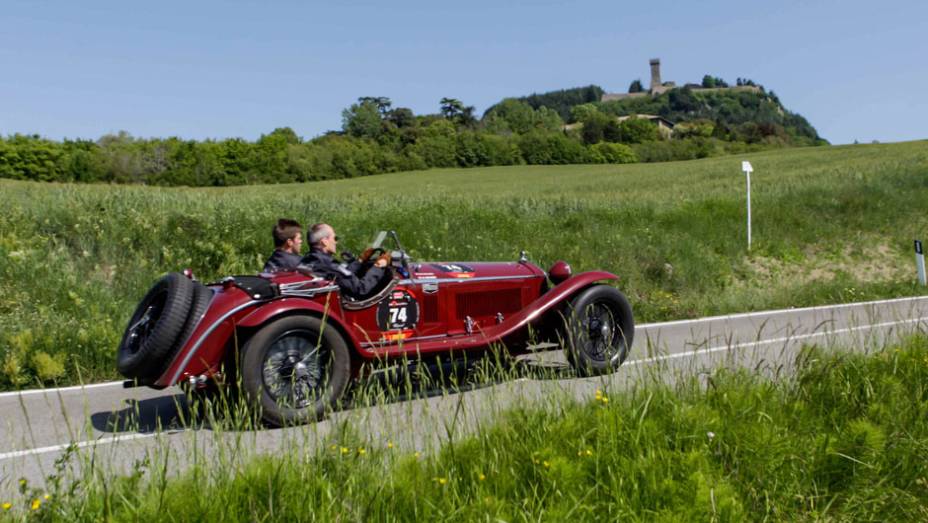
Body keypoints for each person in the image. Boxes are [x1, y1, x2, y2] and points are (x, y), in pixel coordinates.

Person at [300, 223, 389, 298]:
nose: (336, 242)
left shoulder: (309, 258)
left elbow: (343, 276)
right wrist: (378, 266)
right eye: (335, 238)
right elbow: (361, 289)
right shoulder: (329, 265)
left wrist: (360, 260)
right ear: (325, 242)